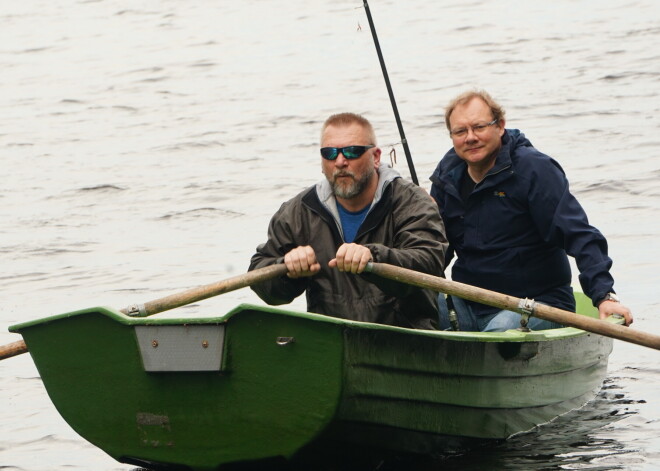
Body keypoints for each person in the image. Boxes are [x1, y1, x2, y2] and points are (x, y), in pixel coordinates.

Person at [429, 89, 633, 332]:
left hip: (536, 303)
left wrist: (604, 296)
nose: (470, 137)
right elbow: (436, 248)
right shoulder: (447, 176)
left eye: (479, 127)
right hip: (469, 300)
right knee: (405, 306)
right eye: (460, 131)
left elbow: (579, 234)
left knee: (500, 333)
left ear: (500, 126)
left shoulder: (534, 170)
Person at [249, 112, 448, 329]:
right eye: (330, 153)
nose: (340, 162)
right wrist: (287, 269)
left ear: (376, 157)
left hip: (406, 340)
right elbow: (260, 277)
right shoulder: (298, 211)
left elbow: (430, 263)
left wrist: (374, 257)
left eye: (352, 152)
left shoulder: (412, 202)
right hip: (330, 343)